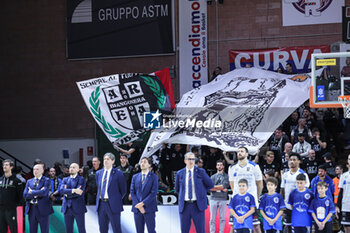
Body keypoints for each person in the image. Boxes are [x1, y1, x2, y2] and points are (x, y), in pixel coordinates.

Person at [175, 152, 214, 233]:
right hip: (184, 206)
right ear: (185, 160)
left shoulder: (201, 171)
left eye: (193, 159)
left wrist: (201, 192)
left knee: (200, 230)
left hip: (197, 205)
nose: (191, 161)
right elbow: (177, 189)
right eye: (189, 159)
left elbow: (210, 185)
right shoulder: (180, 173)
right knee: (184, 230)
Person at [228, 147, 263, 233]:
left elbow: (259, 184)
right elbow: (232, 184)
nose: (239, 153)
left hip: (251, 201)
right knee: (233, 226)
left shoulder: (254, 166)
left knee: (256, 226)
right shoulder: (232, 167)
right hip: (237, 201)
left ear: (247, 154)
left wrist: (256, 197)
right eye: (238, 151)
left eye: (242, 151)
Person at [96, 153, 127, 233]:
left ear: (113, 161)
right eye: (104, 159)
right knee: (102, 229)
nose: (105, 161)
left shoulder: (118, 173)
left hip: (113, 204)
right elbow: (98, 187)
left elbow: (123, 190)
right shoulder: (98, 173)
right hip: (101, 204)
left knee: (116, 228)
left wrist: (116, 199)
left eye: (108, 159)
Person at [280, 153, 310, 232]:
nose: (292, 161)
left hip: (299, 206)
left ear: (299, 161)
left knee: (299, 228)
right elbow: (282, 189)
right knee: (288, 227)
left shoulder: (303, 174)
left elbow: (306, 191)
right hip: (287, 205)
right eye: (290, 160)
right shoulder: (285, 174)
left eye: (294, 160)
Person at [130, 157, 158, 233]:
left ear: (149, 165)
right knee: (139, 231)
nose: (142, 163)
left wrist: (142, 204)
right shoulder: (135, 177)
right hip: (137, 209)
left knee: (151, 230)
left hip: (149, 208)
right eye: (141, 162)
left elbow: (153, 193)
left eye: (145, 162)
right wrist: (138, 205)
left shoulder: (154, 177)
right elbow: (132, 192)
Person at [23, 163, 54, 233]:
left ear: (42, 171)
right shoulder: (29, 181)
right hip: (32, 209)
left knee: (44, 230)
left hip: (43, 209)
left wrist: (32, 192)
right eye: (34, 169)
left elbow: (44, 193)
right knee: (32, 230)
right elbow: (25, 194)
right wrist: (38, 192)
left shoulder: (46, 180)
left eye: (37, 169)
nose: (35, 171)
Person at [60, 163, 87, 233]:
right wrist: (74, 190)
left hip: (78, 207)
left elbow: (79, 193)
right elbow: (61, 190)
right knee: (68, 230)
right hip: (67, 208)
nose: (71, 169)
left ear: (78, 170)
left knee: (81, 229)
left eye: (74, 167)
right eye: (70, 167)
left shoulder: (81, 179)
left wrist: (66, 193)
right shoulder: (65, 179)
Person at [0, 159, 23, 233]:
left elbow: (21, 196)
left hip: (11, 210)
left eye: (6, 165)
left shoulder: (17, 181)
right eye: (4, 165)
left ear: (11, 167)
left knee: (13, 230)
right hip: (1, 210)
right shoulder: (0, 180)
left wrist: (15, 206)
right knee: (2, 230)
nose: (4, 166)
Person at [209, 160, 229, 233]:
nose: (219, 166)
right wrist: (220, 188)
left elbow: (225, 185)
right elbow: (210, 188)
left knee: (222, 218)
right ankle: (212, 232)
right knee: (212, 219)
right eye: (218, 165)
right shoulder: (212, 176)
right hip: (213, 198)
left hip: (223, 199)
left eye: (221, 165)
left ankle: (221, 232)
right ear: (216, 166)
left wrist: (215, 187)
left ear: (223, 166)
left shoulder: (226, 176)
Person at [336, 154, 350, 233]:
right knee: (346, 229)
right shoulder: (344, 176)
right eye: (349, 159)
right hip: (345, 206)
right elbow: (341, 192)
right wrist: (338, 206)